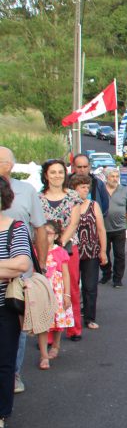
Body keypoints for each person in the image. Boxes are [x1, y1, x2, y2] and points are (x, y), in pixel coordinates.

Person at [0, 147, 47, 395]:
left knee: (15, 325)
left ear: (8, 164)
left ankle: (13, 374)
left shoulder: (26, 191)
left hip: (19, 269)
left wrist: (43, 263)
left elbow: (39, 229)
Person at [0, 176, 33, 428]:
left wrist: (11, 267)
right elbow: (12, 265)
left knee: (4, 362)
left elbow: (22, 264)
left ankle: (1, 413)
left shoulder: (16, 227)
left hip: (5, 308)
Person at [39, 159, 84, 342]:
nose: (57, 176)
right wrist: (48, 247)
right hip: (44, 248)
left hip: (67, 247)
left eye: (60, 172)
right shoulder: (38, 198)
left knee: (70, 286)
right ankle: (48, 332)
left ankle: (73, 328)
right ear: (46, 175)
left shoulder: (73, 196)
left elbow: (74, 222)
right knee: (47, 289)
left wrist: (60, 243)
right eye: (53, 172)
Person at [69, 174, 108, 331]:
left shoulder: (93, 205)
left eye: (87, 187)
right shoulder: (70, 205)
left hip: (91, 251)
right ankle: (72, 316)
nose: (86, 190)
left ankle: (90, 317)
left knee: (90, 286)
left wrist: (103, 251)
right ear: (74, 189)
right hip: (72, 252)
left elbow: (100, 229)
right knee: (72, 286)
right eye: (82, 187)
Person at [40, 220, 74, 368]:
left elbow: (66, 274)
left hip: (57, 291)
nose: (45, 236)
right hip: (41, 291)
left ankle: (56, 344)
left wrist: (67, 295)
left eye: (49, 233)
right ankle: (43, 355)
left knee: (57, 319)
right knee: (42, 322)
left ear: (56, 236)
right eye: (43, 233)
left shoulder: (60, 252)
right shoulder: (37, 250)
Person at [99, 168, 127, 288]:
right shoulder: (100, 190)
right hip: (103, 229)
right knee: (104, 253)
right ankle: (106, 273)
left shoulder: (124, 190)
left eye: (116, 176)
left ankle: (118, 278)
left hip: (119, 228)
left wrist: (125, 220)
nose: (115, 179)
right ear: (107, 177)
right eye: (112, 176)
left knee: (119, 254)